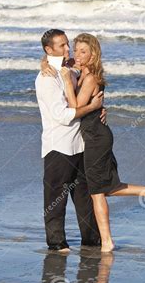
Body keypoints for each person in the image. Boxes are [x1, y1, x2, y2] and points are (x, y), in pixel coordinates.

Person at [58, 33, 145, 253]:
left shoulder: (90, 77)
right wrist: (51, 64)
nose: (77, 55)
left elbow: (74, 107)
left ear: (94, 54)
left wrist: (65, 80)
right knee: (105, 188)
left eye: (84, 51)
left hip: (96, 139)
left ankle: (108, 241)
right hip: (96, 135)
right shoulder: (82, 70)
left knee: (97, 192)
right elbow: (56, 60)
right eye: (76, 50)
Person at [35, 29, 106, 253]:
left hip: (80, 143)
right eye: (63, 46)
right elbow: (63, 115)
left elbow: (90, 60)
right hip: (58, 145)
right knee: (56, 196)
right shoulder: (47, 78)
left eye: (68, 44)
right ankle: (57, 244)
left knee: (84, 196)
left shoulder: (68, 68)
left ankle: (91, 240)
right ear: (49, 50)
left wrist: (100, 110)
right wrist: (92, 108)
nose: (68, 50)